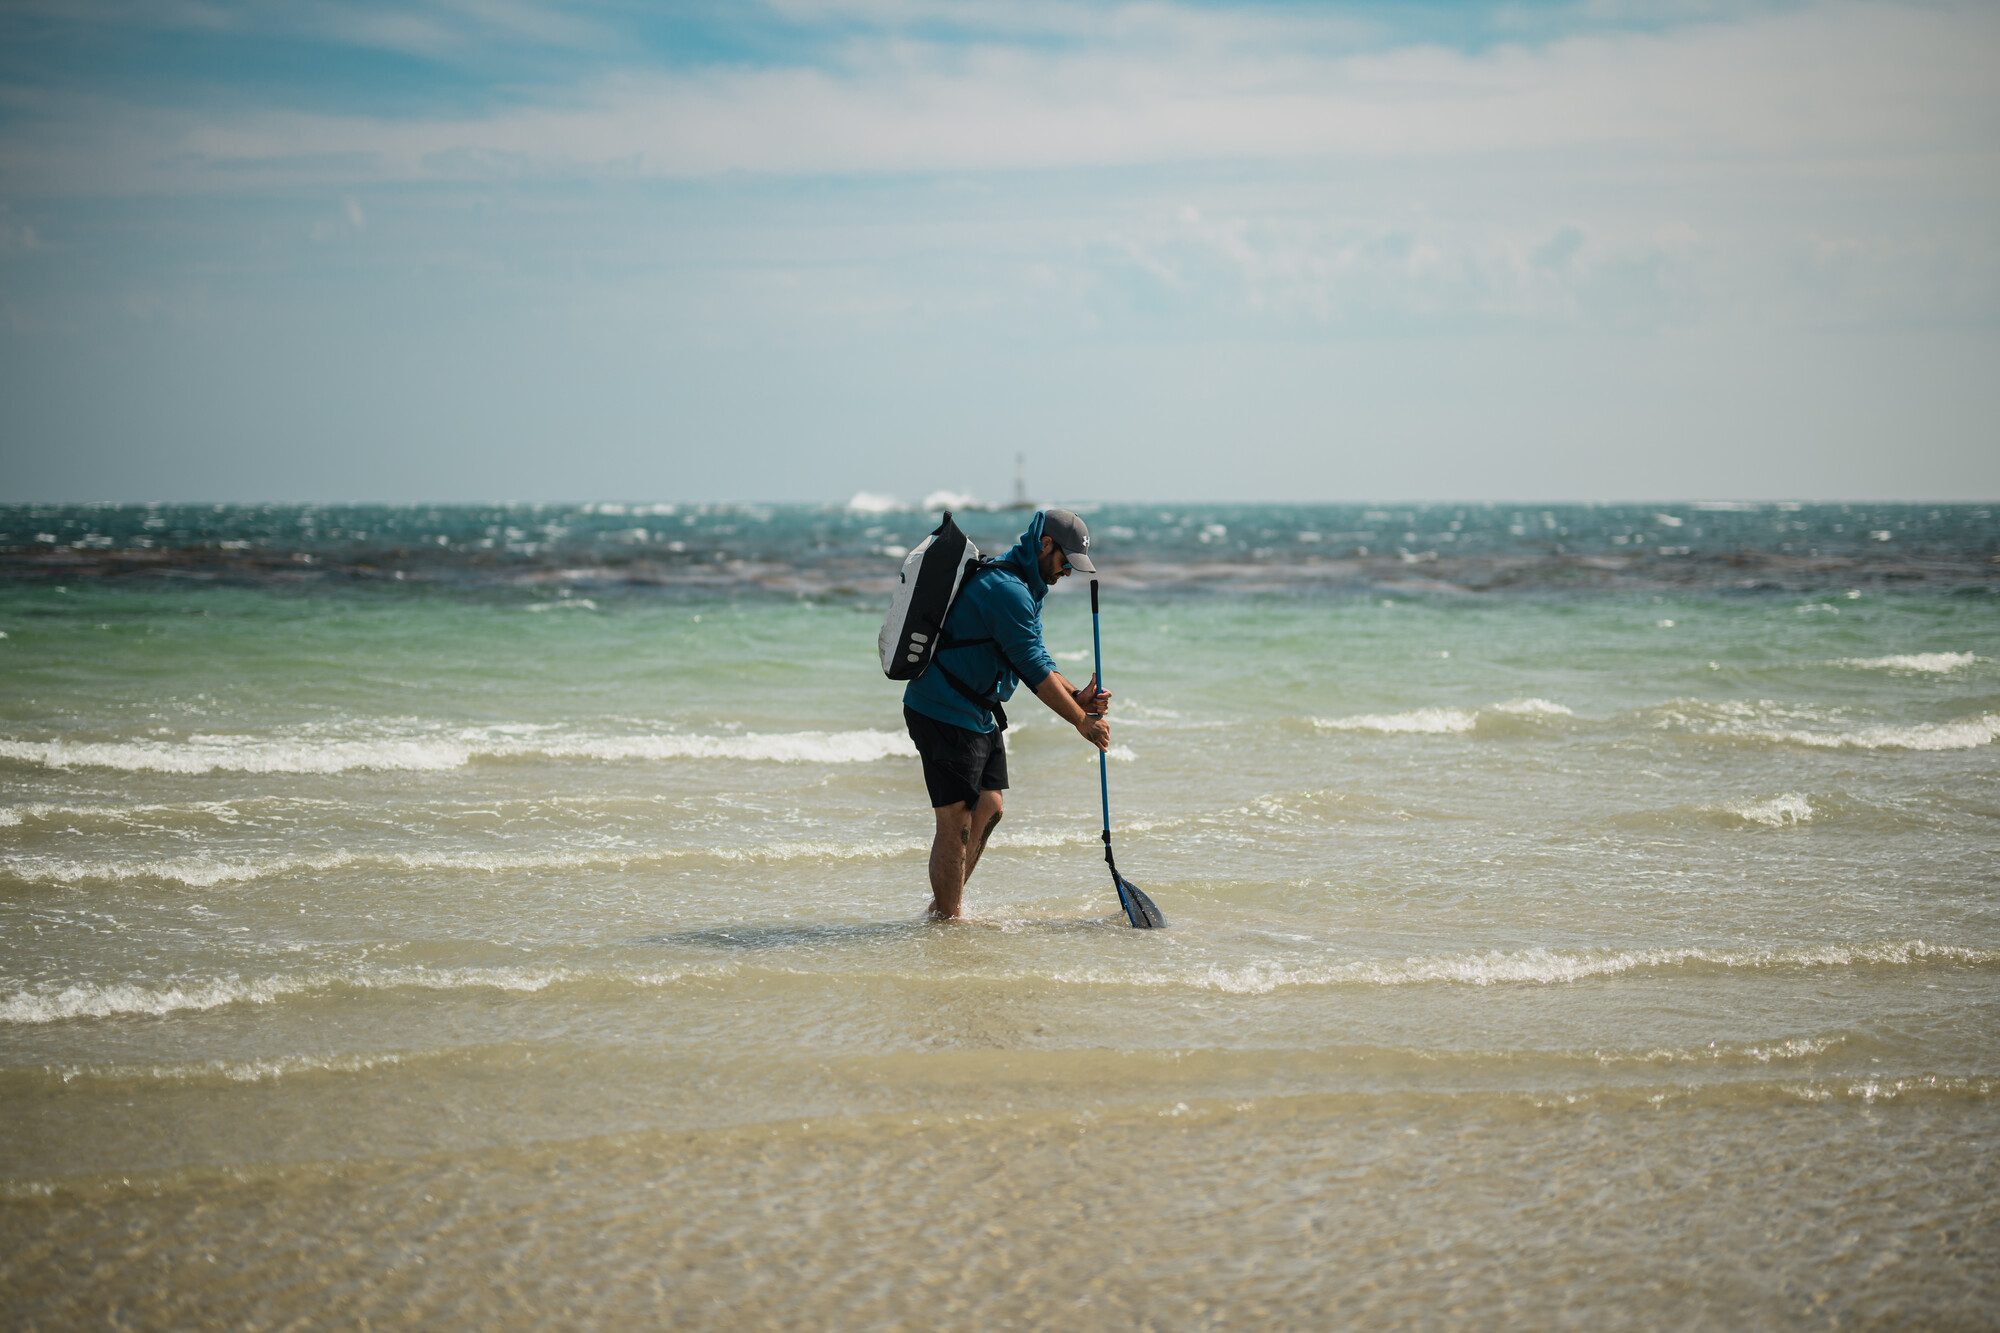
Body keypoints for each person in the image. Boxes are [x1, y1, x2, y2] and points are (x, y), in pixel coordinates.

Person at [903, 508, 1111, 919]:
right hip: (943, 709)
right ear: (1044, 544)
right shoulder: (1006, 590)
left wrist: (1077, 695)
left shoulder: (1027, 588)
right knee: (956, 822)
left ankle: (942, 909)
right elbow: (1032, 671)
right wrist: (1080, 721)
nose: (1069, 572)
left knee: (990, 807)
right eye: (1066, 561)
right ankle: (947, 922)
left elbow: (1035, 656)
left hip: (977, 711)